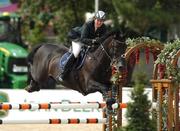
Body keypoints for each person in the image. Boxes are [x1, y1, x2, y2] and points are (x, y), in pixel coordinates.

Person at [59, 10, 107, 81]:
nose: (99, 22)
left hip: (88, 41)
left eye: (101, 21)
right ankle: (63, 73)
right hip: (77, 37)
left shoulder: (103, 27)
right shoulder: (88, 25)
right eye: (98, 20)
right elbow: (83, 39)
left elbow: (103, 38)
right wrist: (93, 41)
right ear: (95, 19)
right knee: (76, 52)